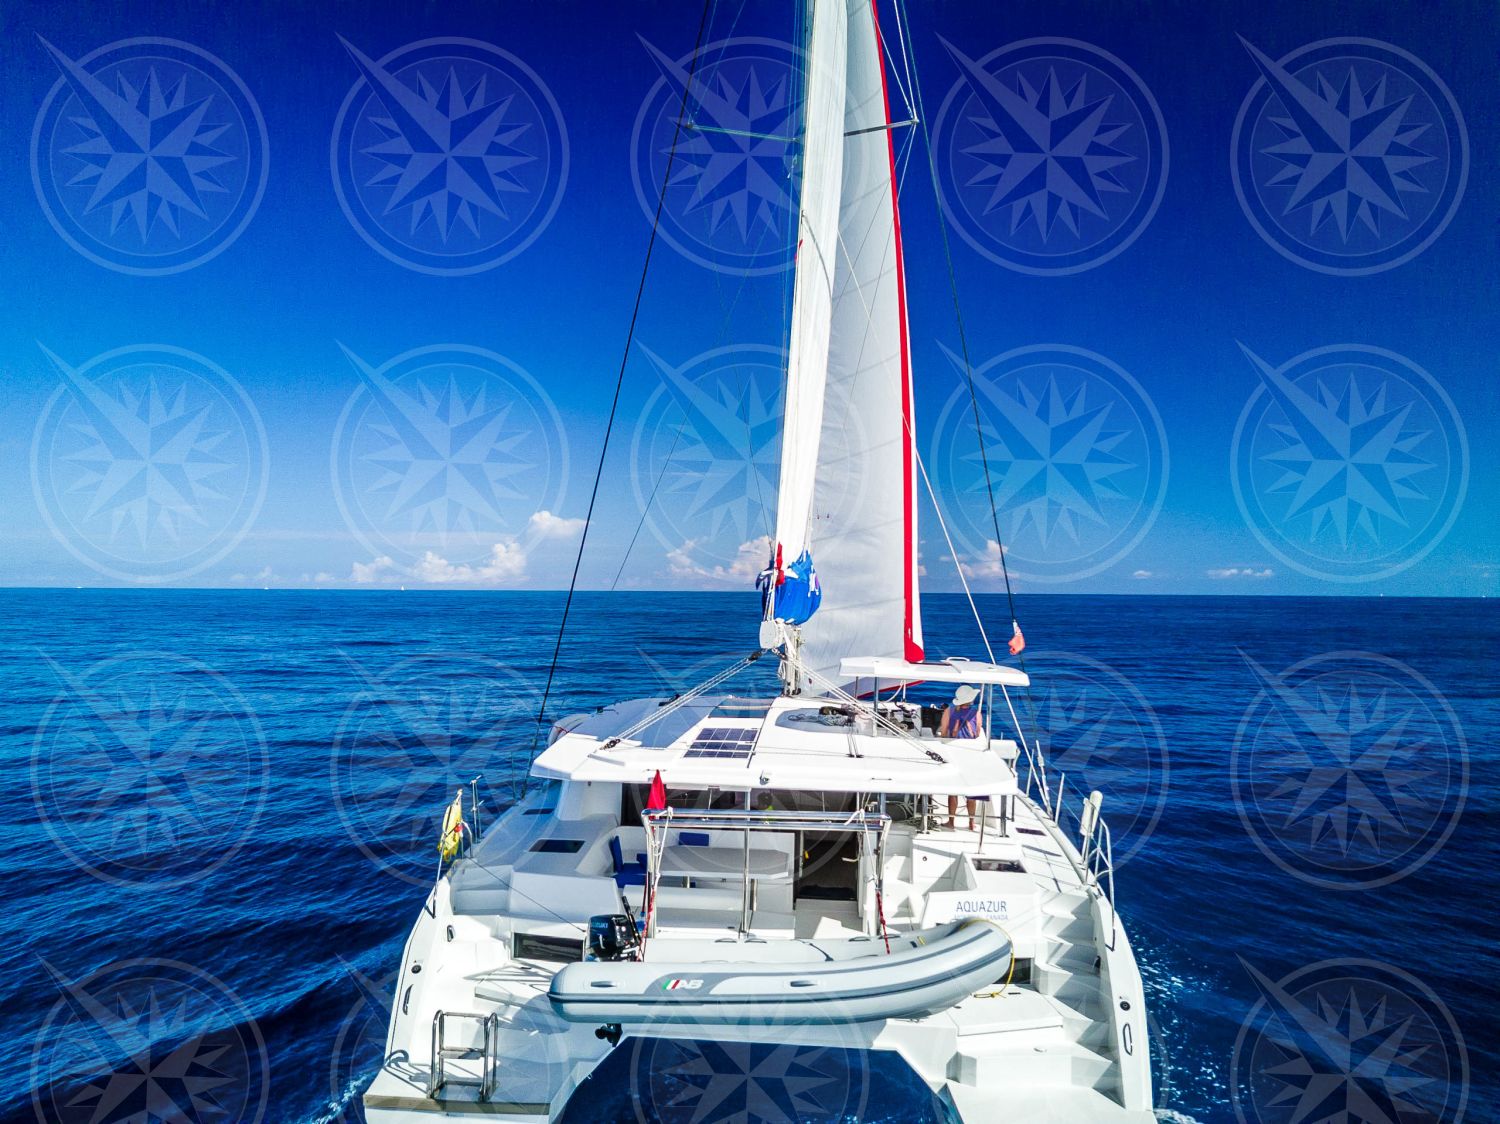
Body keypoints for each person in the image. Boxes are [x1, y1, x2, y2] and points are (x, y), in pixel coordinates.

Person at [941, 685, 981, 829]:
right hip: (970, 753)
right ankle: (971, 822)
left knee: (953, 790)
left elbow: (944, 732)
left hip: (954, 751)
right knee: (971, 791)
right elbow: (976, 733)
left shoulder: (949, 711)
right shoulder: (976, 713)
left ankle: (951, 822)